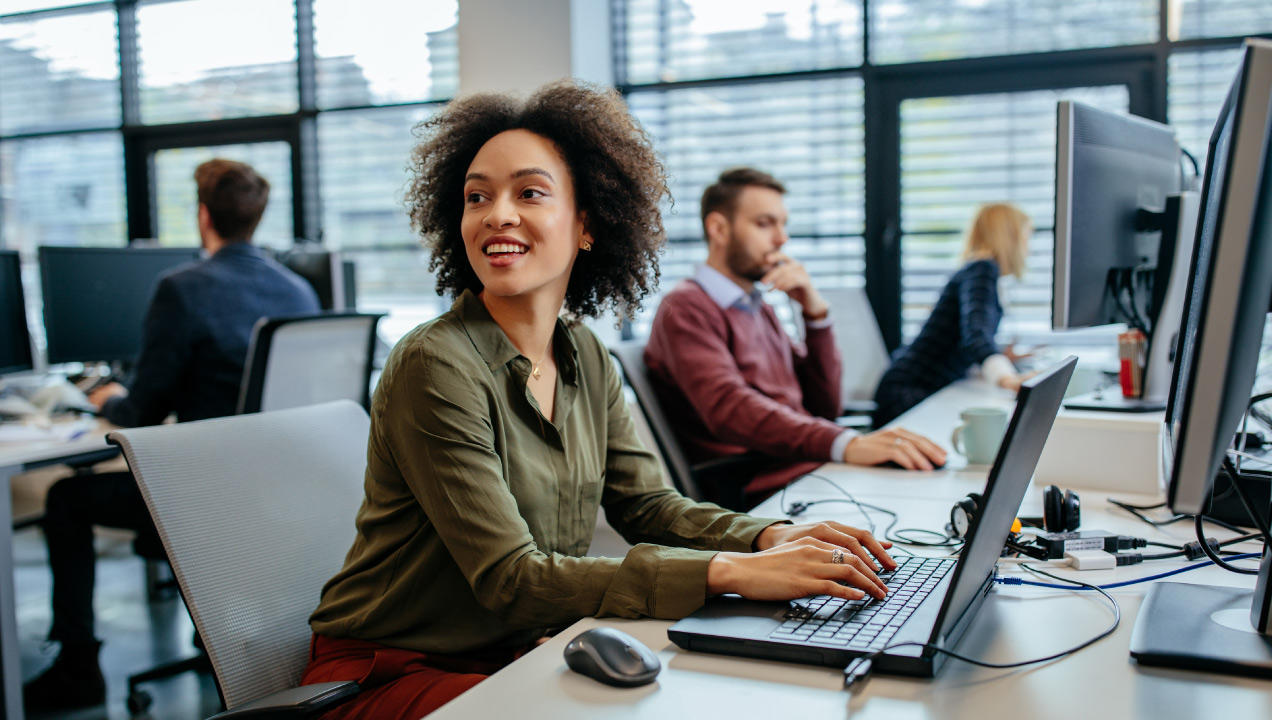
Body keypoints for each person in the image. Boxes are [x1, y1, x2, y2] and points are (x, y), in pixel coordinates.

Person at [301, 81, 897, 720]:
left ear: (587, 224)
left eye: (529, 192)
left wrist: (771, 535)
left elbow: (646, 505)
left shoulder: (584, 352)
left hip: (514, 650)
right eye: (478, 196)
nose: (497, 214)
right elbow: (513, 579)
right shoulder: (433, 364)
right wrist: (731, 571)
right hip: (391, 671)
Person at [23, 159, 321, 711]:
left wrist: (106, 397)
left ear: (204, 216)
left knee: (66, 498)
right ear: (256, 218)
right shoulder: (298, 290)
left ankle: (78, 668)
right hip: (281, 492)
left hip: (206, 497)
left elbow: (141, 409)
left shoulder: (181, 288)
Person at [643, 168, 947, 508]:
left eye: (783, 224)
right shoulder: (686, 307)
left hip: (808, 471)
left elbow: (824, 407)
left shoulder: (759, 307)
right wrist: (845, 443)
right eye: (764, 223)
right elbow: (731, 408)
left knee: (933, 488)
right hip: (767, 488)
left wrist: (816, 316)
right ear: (719, 229)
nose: (781, 239)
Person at [872, 203, 1034, 427]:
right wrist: (1008, 379)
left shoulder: (978, 270)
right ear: (1010, 237)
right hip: (908, 391)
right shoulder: (983, 270)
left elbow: (964, 337)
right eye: (1026, 237)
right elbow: (976, 334)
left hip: (916, 385)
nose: (1028, 248)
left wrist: (1002, 357)